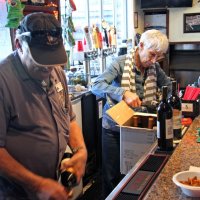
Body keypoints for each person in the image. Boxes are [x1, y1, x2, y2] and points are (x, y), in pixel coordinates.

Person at [0, 12, 87, 200]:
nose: (49, 68)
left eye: (52, 59)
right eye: (41, 60)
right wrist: (36, 184)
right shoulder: (3, 81)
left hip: (51, 185)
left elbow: (69, 118)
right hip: (16, 193)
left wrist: (81, 150)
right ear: (18, 45)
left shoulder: (57, 73)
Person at [91, 29, 172, 198]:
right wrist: (122, 93)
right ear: (140, 46)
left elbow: (168, 87)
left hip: (140, 129)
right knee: (111, 177)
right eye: (151, 55)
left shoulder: (155, 67)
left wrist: (169, 101)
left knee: (138, 174)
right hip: (114, 129)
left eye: (159, 56)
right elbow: (96, 85)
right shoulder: (120, 63)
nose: (155, 61)